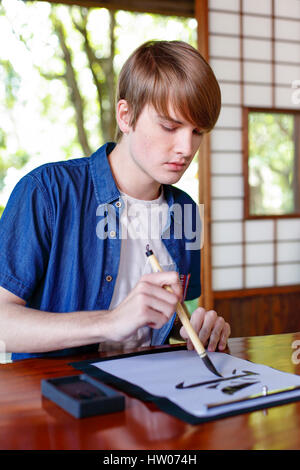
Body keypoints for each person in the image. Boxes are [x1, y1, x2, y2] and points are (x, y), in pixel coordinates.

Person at [0, 40, 230, 360]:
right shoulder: (46, 191)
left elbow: (175, 316)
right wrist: (110, 323)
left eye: (197, 132)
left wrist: (197, 326)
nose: (186, 148)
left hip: (150, 392)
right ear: (126, 115)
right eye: (169, 126)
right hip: (56, 397)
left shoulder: (186, 210)